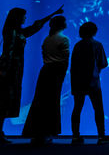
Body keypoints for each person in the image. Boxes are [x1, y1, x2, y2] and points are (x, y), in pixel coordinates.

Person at [0, 5, 63, 144]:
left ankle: (0, 131)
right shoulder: (11, 32)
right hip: (9, 69)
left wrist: (53, 13)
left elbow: (35, 26)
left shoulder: (18, 31)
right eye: (23, 16)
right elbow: (8, 51)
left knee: (7, 100)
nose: (25, 18)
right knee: (4, 99)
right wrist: (4, 70)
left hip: (15, 69)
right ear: (17, 17)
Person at [22, 16, 70, 145]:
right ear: (61, 25)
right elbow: (65, 59)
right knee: (52, 102)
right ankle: (47, 133)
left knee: (40, 101)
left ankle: (36, 133)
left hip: (45, 71)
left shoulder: (47, 39)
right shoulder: (64, 39)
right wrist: (63, 74)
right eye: (64, 22)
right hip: (56, 72)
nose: (66, 23)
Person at [70, 21, 109, 145]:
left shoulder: (77, 45)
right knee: (98, 109)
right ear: (94, 32)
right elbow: (104, 63)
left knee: (77, 108)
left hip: (78, 82)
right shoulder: (97, 45)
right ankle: (101, 136)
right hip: (93, 82)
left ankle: (75, 136)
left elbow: (73, 65)